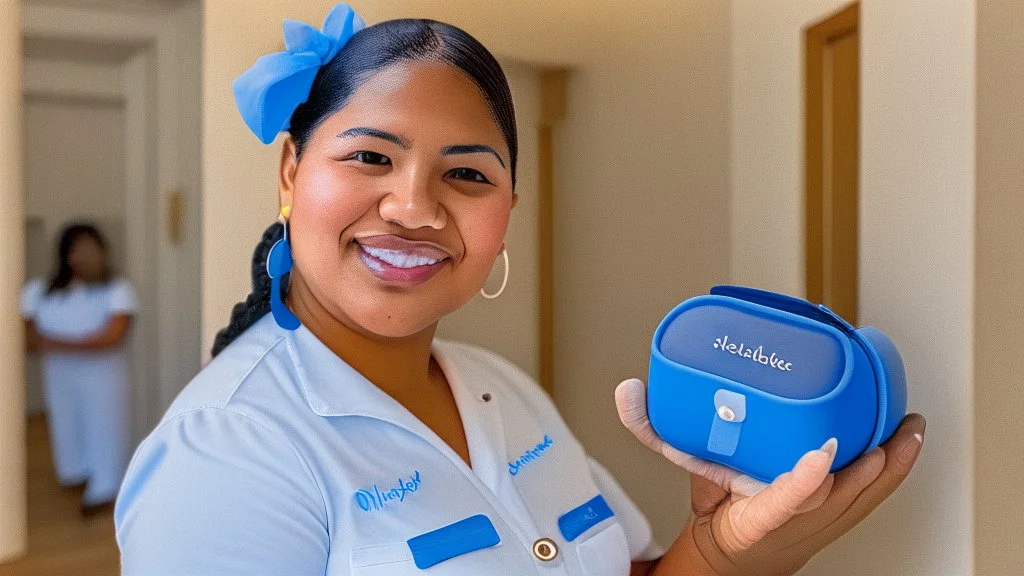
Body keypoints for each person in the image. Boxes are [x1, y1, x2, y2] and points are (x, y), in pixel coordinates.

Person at [114, 5, 926, 574]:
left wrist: (729, 549)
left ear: (508, 209)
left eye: (466, 173)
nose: (413, 207)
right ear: (291, 172)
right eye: (369, 157)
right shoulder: (227, 454)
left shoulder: (501, 392)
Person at [21, 223, 137, 516]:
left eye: (90, 248)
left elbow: (112, 337)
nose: (83, 256)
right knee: (66, 424)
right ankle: (75, 475)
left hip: (104, 378)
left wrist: (54, 343)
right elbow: (27, 339)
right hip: (59, 377)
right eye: (75, 249)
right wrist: (77, 344)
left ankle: (104, 488)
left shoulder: (118, 289)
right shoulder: (39, 291)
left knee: (104, 427)